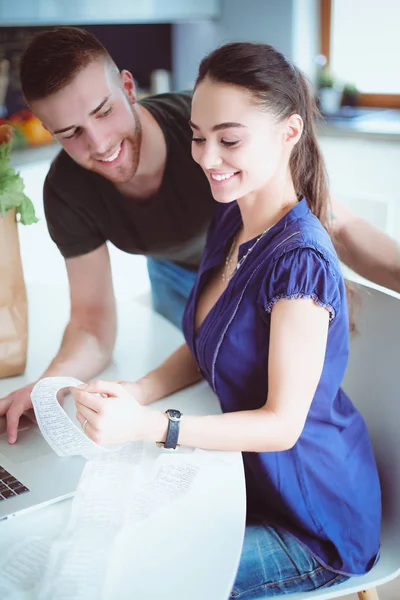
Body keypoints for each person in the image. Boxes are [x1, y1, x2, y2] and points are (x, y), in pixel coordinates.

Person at [71, 42, 381, 598]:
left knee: (133, 578)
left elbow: (282, 425)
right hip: (247, 487)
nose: (208, 158)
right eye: (197, 137)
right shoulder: (232, 220)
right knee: (98, 543)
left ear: (289, 132)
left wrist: (150, 426)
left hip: (312, 524)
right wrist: (135, 392)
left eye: (229, 139)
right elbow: (204, 343)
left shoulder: (300, 263)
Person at [0, 27, 399, 445]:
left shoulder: (212, 139)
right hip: (204, 271)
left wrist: (153, 426)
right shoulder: (74, 190)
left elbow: (331, 220)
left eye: (103, 112)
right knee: (210, 389)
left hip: (261, 268)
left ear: (128, 88)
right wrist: (48, 388)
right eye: (70, 134)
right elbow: (93, 320)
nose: (99, 144)